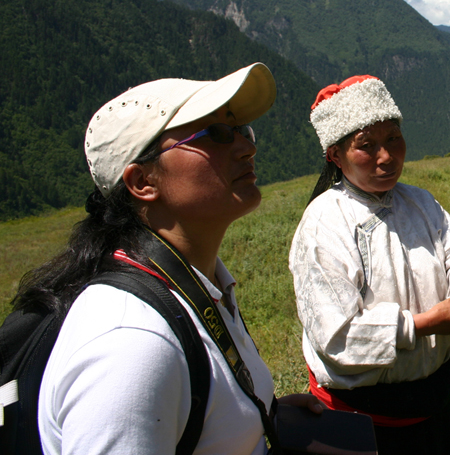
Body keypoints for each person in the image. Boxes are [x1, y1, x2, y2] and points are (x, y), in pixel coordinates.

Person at [12, 63, 321, 454]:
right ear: (143, 182)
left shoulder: (194, 285)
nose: (247, 147)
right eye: (216, 134)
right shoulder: (130, 347)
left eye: (241, 130)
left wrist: (255, 420)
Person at [289, 75, 450, 455]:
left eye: (393, 139)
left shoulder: (421, 204)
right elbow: (336, 338)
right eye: (366, 146)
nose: (386, 156)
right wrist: (424, 324)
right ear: (335, 155)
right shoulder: (323, 225)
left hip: (433, 415)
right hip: (359, 428)